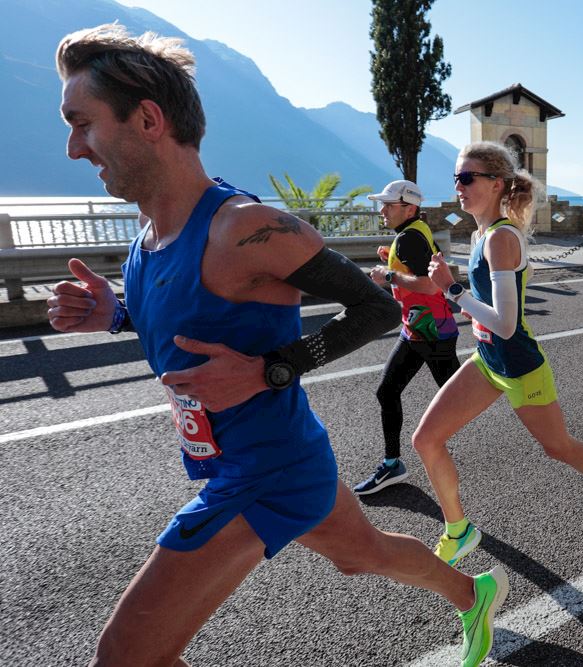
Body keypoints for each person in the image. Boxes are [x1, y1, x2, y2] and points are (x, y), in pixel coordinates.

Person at [48, 24, 505, 667]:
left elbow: (374, 308)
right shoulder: (146, 241)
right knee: (361, 554)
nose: (73, 148)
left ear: (148, 119)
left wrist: (274, 370)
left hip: (264, 474)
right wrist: (117, 314)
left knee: (126, 657)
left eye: (82, 123)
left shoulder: (246, 227)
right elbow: (195, 327)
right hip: (277, 460)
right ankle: (473, 592)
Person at [414, 141, 583, 567]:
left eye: (466, 178)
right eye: (456, 178)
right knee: (426, 438)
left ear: (496, 184)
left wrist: (450, 289)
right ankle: (458, 530)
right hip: (488, 361)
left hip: (520, 367)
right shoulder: (480, 235)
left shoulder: (500, 240)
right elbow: (484, 314)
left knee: (558, 447)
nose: (458, 186)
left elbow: (506, 324)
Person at [354, 180, 461, 495]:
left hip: (430, 332)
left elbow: (429, 285)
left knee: (459, 396)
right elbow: (427, 266)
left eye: (389, 204)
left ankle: (525, 409)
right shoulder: (414, 234)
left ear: (410, 208)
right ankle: (392, 464)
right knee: (389, 392)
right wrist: (392, 258)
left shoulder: (409, 238)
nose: (382, 210)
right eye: (382, 204)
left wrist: (387, 275)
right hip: (422, 328)